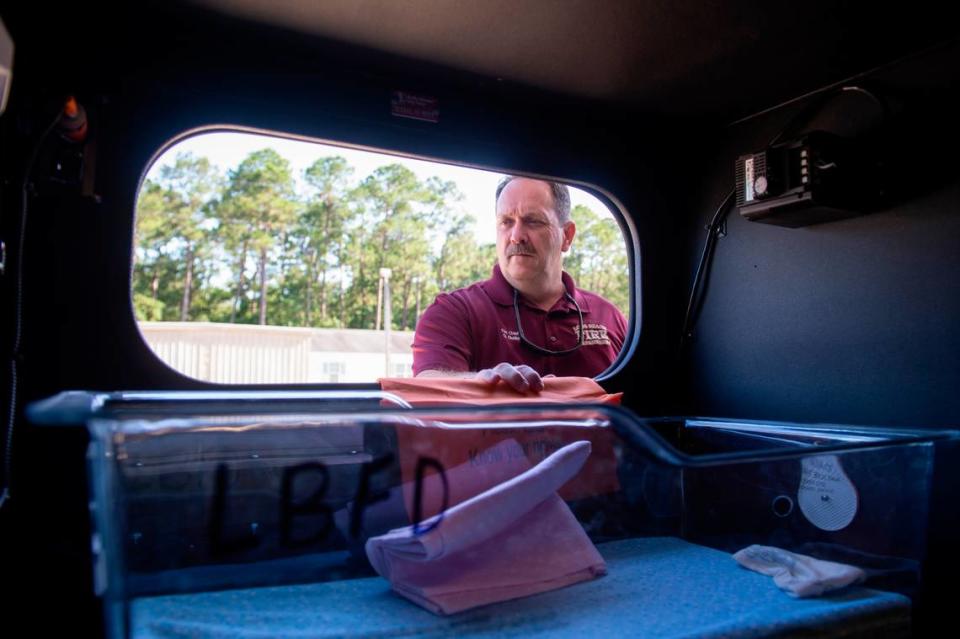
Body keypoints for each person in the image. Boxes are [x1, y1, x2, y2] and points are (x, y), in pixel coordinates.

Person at [412, 176, 627, 392]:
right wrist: (484, 381)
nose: (516, 236)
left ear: (567, 236)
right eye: (506, 222)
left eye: (533, 221)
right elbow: (428, 385)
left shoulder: (610, 318)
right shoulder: (455, 312)